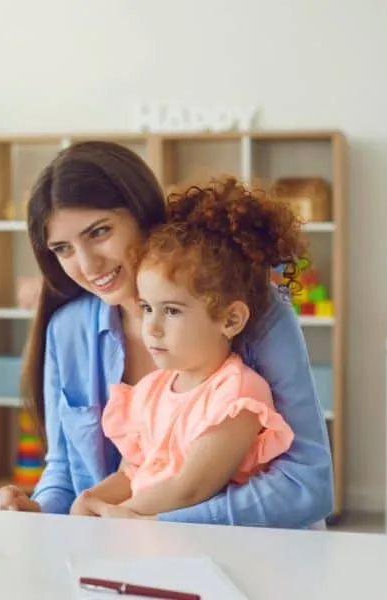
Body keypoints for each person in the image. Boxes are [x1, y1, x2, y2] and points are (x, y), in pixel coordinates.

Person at [0, 141, 334, 528]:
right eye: (63, 248)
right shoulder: (66, 329)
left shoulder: (253, 311)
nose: (88, 265)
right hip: (123, 543)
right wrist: (36, 514)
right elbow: (64, 475)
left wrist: (156, 521)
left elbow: (307, 483)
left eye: (100, 232)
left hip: (252, 549)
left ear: (142, 215)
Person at [74, 176, 299, 519]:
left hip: (202, 540)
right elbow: (133, 473)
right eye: (147, 307)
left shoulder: (237, 395)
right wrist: (91, 500)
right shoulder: (151, 390)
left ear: (230, 319)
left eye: (172, 311)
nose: (152, 327)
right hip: (147, 532)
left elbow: (190, 489)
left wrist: (114, 517)